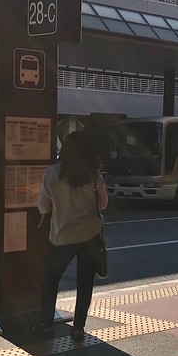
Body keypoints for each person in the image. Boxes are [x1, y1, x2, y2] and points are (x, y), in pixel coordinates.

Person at [34, 131, 108, 340]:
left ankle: (46, 323)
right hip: (90, 236)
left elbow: (42, 206)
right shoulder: (93, 175)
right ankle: (78, 328)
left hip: (62, 237)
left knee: (51, 281)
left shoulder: (52, 174)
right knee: (85, 283)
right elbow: (103, 204)